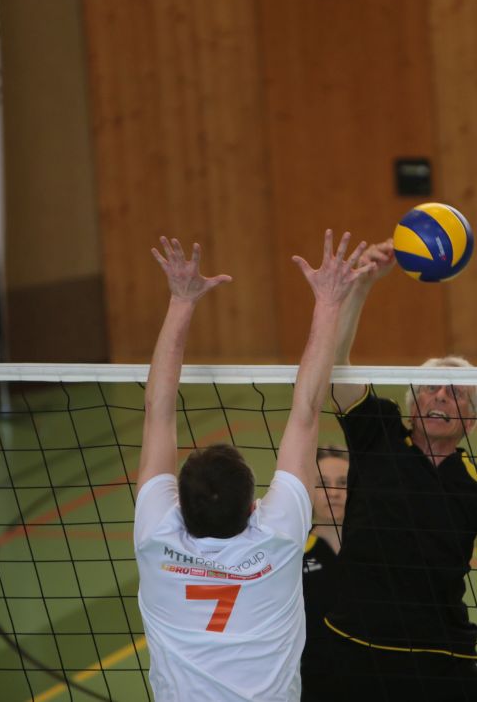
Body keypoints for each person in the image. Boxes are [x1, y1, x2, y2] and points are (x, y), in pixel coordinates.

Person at [133, 231, 373, 701]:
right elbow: (306, 411)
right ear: (251, 508)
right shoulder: (277, 538)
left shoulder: (157, 536)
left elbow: (156, 411)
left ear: (180, 505)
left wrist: (180, 301)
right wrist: (328, 302)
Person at [323, 237, 477, 701]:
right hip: (352, 646)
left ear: (470, 421)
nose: (442, 395)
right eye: (431, 387)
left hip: (442, 658)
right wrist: (362, 287)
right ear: (412, 403)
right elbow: (337, 365)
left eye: (456, 392)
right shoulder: (377, 433)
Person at [300, 445, 349, 701]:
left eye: (343, 483)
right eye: (323, 483)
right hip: (312, 684)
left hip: (372, 681)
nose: (334, 492)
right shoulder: (294, 553)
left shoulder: (375, 550)